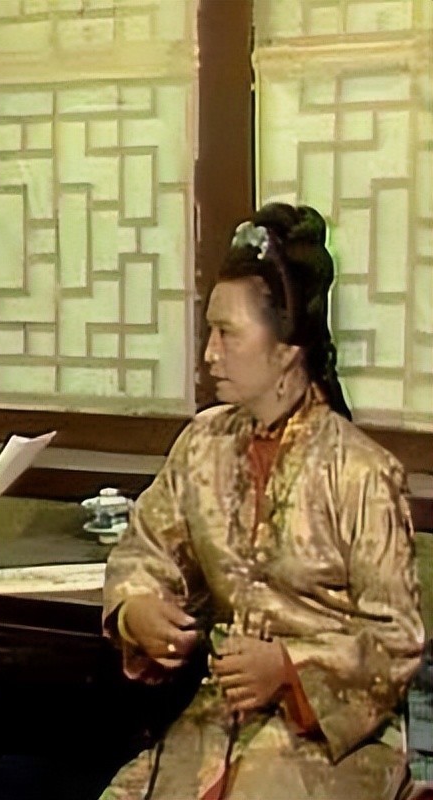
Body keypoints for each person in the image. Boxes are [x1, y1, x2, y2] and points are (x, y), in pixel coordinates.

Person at [101, 203, 424, 799]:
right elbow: (146, 549)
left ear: (286, 348)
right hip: (216, 718)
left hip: (333, 742)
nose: (209, 353)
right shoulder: (203, 445)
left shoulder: (362, 473)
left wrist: (289, 669)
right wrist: (136, 607)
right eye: (210, 331)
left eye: (227, 333)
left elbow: (398, 641)